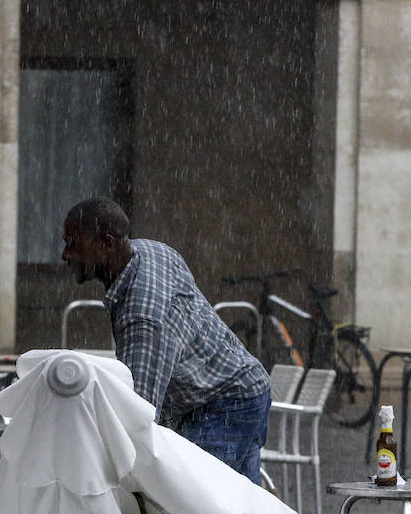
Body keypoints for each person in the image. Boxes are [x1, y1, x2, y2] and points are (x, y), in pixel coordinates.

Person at [60, 197, 271, 483]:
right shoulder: (151, 250)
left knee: (195, 512)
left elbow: (138, 414)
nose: (65, 254)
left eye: (74, 244)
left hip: (223, 403)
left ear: (106, 245)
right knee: (241, 512)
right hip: (241, 387)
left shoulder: (143, 316)